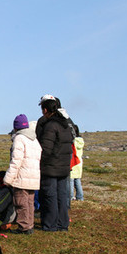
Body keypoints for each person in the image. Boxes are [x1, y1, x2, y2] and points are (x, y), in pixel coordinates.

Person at [36, 95, 74, 232]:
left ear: (45, 110)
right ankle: (63, 224)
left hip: (51, 168)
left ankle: (50, 224)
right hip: (63, 167)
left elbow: (46, 149)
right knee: (62, 196)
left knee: (50, 196)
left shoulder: (50, 126)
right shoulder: (65, 124)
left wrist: (40, 163)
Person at [3, 115, 42, 234]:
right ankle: (29, 225)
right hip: (33, 177)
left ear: (16, 127)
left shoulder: (19, 139)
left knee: (21, 202)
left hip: (22, 177)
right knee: (30, 203)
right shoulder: (34, 139)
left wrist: (8, 179)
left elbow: (16, 160)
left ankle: (24, 227)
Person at [70, 124, 85, 201]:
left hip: (73, 161)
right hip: (79, 162)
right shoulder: (80, 141)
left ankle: (71, 196)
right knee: (77, 180)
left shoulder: (72, 142)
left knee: (71, 180)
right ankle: (80, 196)